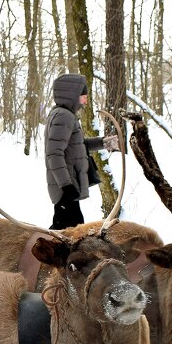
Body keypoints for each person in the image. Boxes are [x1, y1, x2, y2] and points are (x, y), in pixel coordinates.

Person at [44, 73, 119, 230]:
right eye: (83, 96)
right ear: (72, 95)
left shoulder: (63, 114)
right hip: (65, 188)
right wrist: (66, 185)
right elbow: (54, 153)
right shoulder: (64, 116)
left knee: (67, 230)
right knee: (69, 232)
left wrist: (103, 142)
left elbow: (76, 146)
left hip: (66, 186)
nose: (85, 100)